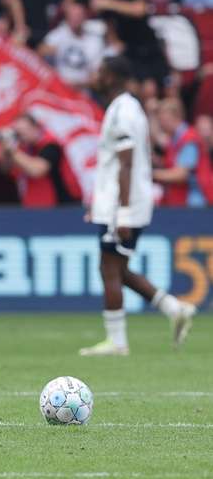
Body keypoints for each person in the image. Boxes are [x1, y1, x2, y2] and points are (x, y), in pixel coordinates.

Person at [79, 56, 195, 357]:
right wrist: (101, 206)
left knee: (109, 268)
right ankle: (174, 308)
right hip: (116, 204)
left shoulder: (124, 112)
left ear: (113, 77)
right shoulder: (122, 108)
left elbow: (126, 164)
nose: (96, 75)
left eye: (101, 71)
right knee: (118, 268)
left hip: (124, 206)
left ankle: (117, 342)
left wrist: (124, 213)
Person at [0, 113, 80, 207]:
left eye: (24, 131)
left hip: (58, 207)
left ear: (36, 128)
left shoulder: (50, 146)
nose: (20, 135)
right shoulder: (23, 149)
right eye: (17, 132)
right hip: (31, 205)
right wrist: (5, 150)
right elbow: (4, 168)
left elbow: (37, 170)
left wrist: (12, 151)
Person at [153, 98, 208, 207]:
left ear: (176, 117)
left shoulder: (189, 139)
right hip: (179, 200)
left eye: (163, 120)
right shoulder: (174, 138)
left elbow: (181, 174)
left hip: (194, 203)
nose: (161, 124)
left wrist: (151, 174)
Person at [38, 1, 104, 91]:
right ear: (67, 18)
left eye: (78, 16)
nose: (75, 19)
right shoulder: (59, 34)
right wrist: (46, 50)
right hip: (58, 88)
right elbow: (39, 52)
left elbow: (96, 76)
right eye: (72, 16)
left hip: (82, 91)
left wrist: (78, 84)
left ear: (85, 17)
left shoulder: (94, 41)